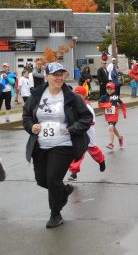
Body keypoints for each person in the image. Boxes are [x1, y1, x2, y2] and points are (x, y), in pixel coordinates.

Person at [22, 62, 93, 228]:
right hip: (40, 145)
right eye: (55, 74)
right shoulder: (37, 95)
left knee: (53, 179)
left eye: (62, 74)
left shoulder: (71, 97)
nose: (59, 77)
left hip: (64, 144)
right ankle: (64, 190)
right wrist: (31, 126)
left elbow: (87, 117)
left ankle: (55, 214)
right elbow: (26, 115)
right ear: (46, 76)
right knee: (42, 180)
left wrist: (73, 128)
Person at [68, 86, 106, 181]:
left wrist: (82, 124)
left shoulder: (87, 106)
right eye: (75, 94)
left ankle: (101, 160)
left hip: (88, 130)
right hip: (77, 130)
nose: (77, 96)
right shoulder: (71, 105)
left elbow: (91, 120)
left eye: (79, 95)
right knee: (78, 150)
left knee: (92, 149)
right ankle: (74, 172)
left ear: (85, 95)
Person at [98, 82, 126, 150]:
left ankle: (111, 144)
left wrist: (124, 112)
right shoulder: (103, 97)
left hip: (114, 115)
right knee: (113, 128)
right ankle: (120, 137)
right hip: (108, 116)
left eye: (111, 89)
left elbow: (121, 104)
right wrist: (107, 105)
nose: (109, 90)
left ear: (114, 90)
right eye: (108, 89)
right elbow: (99, 104)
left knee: (110, 128)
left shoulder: (115, 97)